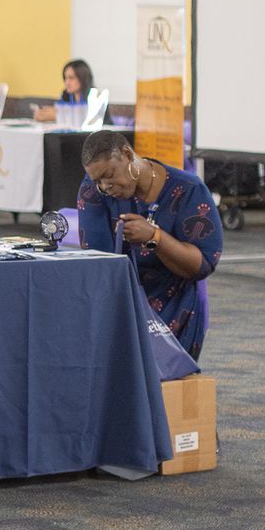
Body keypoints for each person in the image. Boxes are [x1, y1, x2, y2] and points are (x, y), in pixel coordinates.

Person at [77, 130, 222, 359]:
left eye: (109, 175)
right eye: (98, 181)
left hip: (177, 306)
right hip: (122, 306)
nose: (105, 186)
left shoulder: (188, 190)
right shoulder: (94, 193)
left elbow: (202, 264)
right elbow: (98, 262)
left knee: (172, 379)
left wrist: (155, 238)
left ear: (127, 154)